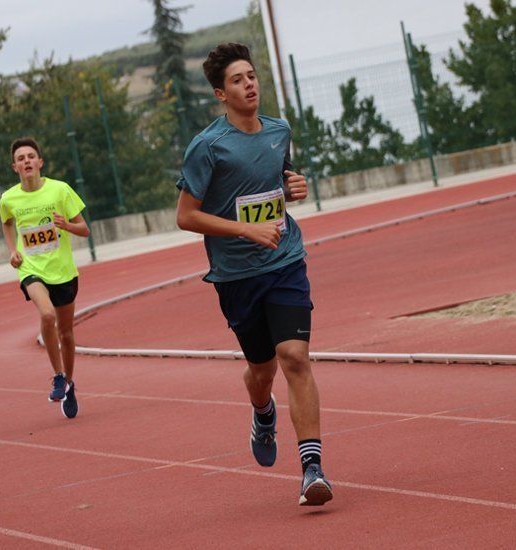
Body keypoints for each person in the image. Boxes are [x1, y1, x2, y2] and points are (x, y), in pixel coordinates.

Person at [175, 43, 332, 506]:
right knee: (261, 370)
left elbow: (280, 182)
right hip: (236, 277)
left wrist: (295, 187)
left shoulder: (279, 130)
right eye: (238, 80)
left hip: (285, 262)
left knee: (295, 357)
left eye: (252, 76)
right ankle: (263, 413)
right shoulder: (207, 147)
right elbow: (186, 216)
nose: (250, 84)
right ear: (221, 94)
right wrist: (244, 228)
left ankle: (312, 469)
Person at [0, 137, 89, 419]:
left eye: (30, 156)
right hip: (32, 269)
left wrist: (66, 225)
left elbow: (85, 229)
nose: (26, 161)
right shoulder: (8, 198)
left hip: (62, 271)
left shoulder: (60, 190)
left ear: (40, 163)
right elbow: (7, 222)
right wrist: (13, 251)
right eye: (21, 158)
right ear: (15, 167)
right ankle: (58, 375)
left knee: (67, 333)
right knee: (47, 315)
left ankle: (70, 384)